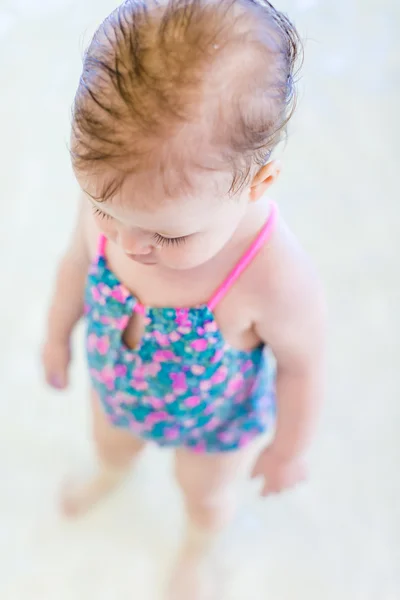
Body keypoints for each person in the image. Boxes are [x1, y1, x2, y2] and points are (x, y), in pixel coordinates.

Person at [42, 0, 326, 597]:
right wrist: (55, 333)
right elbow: (74, 263)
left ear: (257, 185)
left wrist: (287, 451)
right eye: (103, 210)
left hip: (213, 425)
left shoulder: (271, 272)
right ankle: (111, 474)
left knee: (207, 497)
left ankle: (196, 551)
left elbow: (303, 366)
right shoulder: (122, 200)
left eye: (169, 234)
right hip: (118, 384)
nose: (125, 242)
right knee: (109, 442)